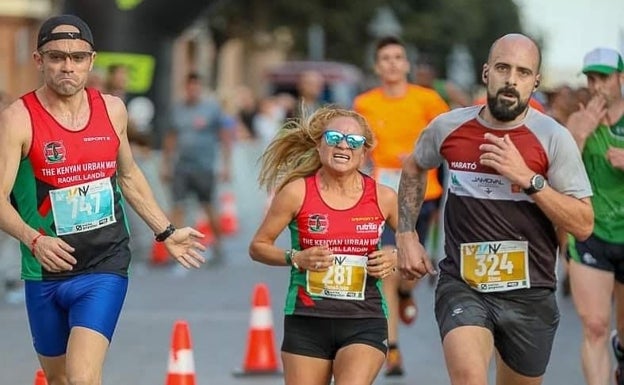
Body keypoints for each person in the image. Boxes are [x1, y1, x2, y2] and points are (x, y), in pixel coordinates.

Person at [0, 15, 206, 385]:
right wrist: (34, 239)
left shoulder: (112, 110)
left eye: (78, 57)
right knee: (59, 378)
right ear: (38, 61)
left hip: (104, 264)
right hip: (44, 271)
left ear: (91, 61)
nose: (68, 66)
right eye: (57, 57)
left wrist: (166, 231)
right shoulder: (18, 119)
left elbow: (128, 177)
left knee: (82, 377)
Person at [396, 33, 594, 385]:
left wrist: (529, 179)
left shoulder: (553, 138)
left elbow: (582, 224)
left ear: (535, 81)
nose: (511, 80)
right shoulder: (448, 127)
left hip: (531, 292)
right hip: (463, 283)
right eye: (503, 68)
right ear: (487, 72)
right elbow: (414, 166)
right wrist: (407, 234)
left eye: (522, 72)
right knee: (470, 377)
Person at [249, 106, 398, 385]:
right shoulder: (296, 192)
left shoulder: (384, 197)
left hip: (364, 319)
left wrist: (395, 257)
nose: (343, 145)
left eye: (353, 141)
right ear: (319, 145)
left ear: (364, 153)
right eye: (334, 138)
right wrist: (297, 257)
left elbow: (415, 249)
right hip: (307, 319)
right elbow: (258, 246)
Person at [353, 35, 449, 376]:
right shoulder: (365, 103)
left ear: (406, 64)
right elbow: (357, 150)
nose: (392, 63)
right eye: (385, 58)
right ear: (377, 66)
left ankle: (409, 292)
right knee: (389, 271)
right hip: (382, 197)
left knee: (412, 266)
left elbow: (448, 141)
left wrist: (423, 159)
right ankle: (392, 350)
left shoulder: (428, 100)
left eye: (398, 57)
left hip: (424, 193)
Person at [565, 47, 624, 385]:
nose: (596, 85)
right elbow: (557, 170)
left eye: (604, 77)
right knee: (596, 326)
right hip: (591, 233)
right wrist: (580, 133)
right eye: (590, 78)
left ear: (621, 78)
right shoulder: (578, 120)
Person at [161, 72, 235, 265]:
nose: (193, 90)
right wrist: (166, 164)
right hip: (181, 166)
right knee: (177, 206)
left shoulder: (211, 108)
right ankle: (175, 247)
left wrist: (226, 165)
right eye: (189, 86)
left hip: (204, 167)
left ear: (200, 88)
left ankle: (219, 246)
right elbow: (171, 137)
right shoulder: (177, 109)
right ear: (186, 87)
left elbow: (225, 135)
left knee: (208, 205)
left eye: (196, 86)